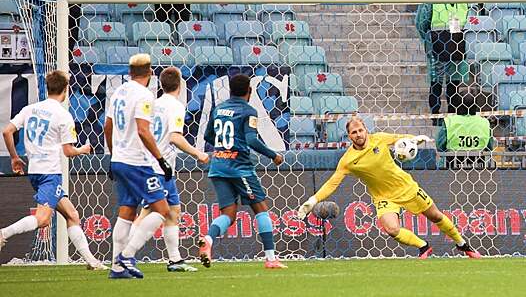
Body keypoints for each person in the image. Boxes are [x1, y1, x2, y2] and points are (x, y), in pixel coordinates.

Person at [297, 116, 481, 259]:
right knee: (392, 229)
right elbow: (332, 183)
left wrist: (414, 139)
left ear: (366, 131)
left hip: (406, 187)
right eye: (354, 132)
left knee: (436, 216)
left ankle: (462, 243)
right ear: (349, 136)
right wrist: (313, 200)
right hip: (383, 197)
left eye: (361, 130)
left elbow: (399, 139)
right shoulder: (348, 160)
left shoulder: (379, 139)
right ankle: (423, 246)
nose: (358, 134)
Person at [0, 70, 106, 270]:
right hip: (50, 173)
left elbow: (7, 131)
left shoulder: (30, 109)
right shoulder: (63, 116)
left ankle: (92, 262)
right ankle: (3, 234)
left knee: (72, 215)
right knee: (43, 219)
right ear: (65, 90)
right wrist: (82, 150)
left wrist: (15, 157)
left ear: (48, 87)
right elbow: (68, 151)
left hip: (35, 171)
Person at [199, 74, 287, 269]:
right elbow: (252, 140)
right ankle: (271, 259)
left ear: (230, 90)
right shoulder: (249, 111)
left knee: (228, 215)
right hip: (239, 168)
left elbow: (208, 136)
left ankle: (209, 238)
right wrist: (274, 155)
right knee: (260, 209)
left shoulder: (219, 109)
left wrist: (224, 149)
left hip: (217, 166)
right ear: (250, 91)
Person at [130, 67, 209, 273]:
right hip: (157, 167)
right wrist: (197, 154)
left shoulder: (154, 104)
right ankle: (124, 256)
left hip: (158, 167)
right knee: (148, 212)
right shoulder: (175, 106)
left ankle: (175, 260)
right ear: (180, 85)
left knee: (173, 212)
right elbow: (175, 137)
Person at [104, 54, 173, 279]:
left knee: (126, 213)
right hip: (137, 163)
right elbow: (143, 130)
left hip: (120, 160)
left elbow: (108, 126)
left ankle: (116, 269)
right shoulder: (145, 95)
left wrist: (114, 156)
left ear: (130, 71)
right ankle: (127, 255)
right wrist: (161, 159)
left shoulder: (118, 92)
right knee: (163, 211)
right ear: (150, 73)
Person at [416, 0, 469, 124]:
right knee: (436, 83)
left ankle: (452, 116)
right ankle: (436, 116)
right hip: (436, 45)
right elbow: (421, 22)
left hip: (458, 44)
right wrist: (428, 39)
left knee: (454, 83)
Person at [436, 86, 493, 168]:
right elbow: (490, 147)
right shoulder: (484, 122)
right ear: (475, 105)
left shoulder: (449, 121)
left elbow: (440, 145)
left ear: (457, 105)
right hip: (479, 163)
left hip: (451, 163)